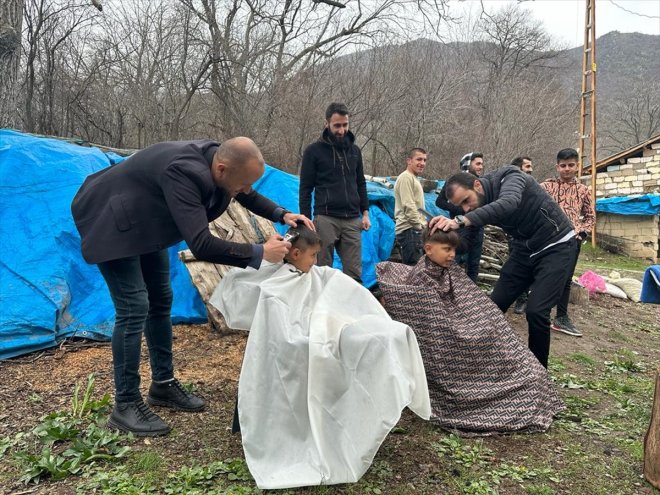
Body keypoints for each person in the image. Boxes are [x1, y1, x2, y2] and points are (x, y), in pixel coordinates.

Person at [71, 137, 313, 436]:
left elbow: (246, 192)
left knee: (160, 299)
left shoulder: (221, 162)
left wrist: (282, 214)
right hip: (112, 220)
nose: (241, 191)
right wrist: (260, 252)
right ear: (222, 170)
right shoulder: (184, 173)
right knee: (134, 307)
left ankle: (162, 385)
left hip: (146, 221)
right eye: (238, 185)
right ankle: (125, 404)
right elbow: (201, 244)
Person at [210, 223, 430, 489]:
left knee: (389, 336)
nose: (316, 262)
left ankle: (349, 421)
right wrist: (317, 338)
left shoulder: (316, 275)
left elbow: (342, 299)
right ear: (294, 255)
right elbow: (281, 336)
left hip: (325, 332)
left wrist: (336, 328)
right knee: (336, 356)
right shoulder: (276, 288)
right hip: (298, 344)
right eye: (312, 256)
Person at [377, 228, 564, 435]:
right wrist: (471, 328)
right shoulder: (421, 279)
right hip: (457, 351)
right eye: (447, 249)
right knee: (524, 378)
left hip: (476, 329)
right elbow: (436, 324)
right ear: (428, 249)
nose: (452, 255)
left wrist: (484, 320)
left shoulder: (448, 271)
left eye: (454, 250)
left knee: (528, 370)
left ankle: (525, 376)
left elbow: (470, 300)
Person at [429, 167, 576, 368]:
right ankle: (480, 362)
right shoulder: (476, 209)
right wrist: (440, 237)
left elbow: (509, 203)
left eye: (465, 201)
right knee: (493, 306)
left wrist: (459, 221)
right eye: (459, 207)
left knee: (536, 311)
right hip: (524, 249)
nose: (465, 209)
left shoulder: (510, 177)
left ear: (477, 185)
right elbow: (465, 243)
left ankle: (538, 374)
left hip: (556, 244)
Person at [299, 102, 370, 283]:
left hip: (353, 219)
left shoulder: (355, 151)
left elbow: (360, 182)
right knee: (322, 271)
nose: (341, 130)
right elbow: (305, 188)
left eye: (345, 125)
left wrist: (365, 212)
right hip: (326, 218)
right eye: (337, 125)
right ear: (327, 124)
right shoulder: (313, 151)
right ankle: (322, 310)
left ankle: (349, 310)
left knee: (354, 274)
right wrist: (305, 221)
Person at [541, 148, 595, 337]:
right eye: (563, 166)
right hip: (548, 239)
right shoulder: (546, 187)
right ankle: (542, 313)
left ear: (577, 166)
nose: (566, 169)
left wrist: (582, 233)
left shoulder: (583, 190)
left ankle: (561, 317)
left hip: (572, 241)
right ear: (557, 166)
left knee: (565, 280)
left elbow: (590, 217)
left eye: (570, 165)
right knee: (546, 275)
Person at [435, 152, 485, 282]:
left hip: (477, 229)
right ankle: (449, 289)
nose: (481, 167)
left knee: (473, 264)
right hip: (459, 229)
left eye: (482, 164)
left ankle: (470, 294)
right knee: (453, 261)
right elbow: (439, 202)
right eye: (478, 163)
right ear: (468, 164)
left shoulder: (481, 184)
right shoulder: (453, 183)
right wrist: (458, 209)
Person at [394, 148, 428, 265]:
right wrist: (418, 226)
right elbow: (408, 205)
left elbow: (417, 206)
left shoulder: (413, 178)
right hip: (410, 230)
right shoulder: (405, 178)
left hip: (414, 230)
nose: (422, 163)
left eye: (424, 160)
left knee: (417, 269)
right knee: (413, 269)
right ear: (409, 161)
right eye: (419, 159)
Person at [510, 156, 533, 313]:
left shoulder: (533, 186)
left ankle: (526, 298)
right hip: (515, 234)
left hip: (532, 235)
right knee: (516, 267)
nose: (531, 169)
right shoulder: (511, 188)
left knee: (531, 266)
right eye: (527, 167)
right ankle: (519, 298)